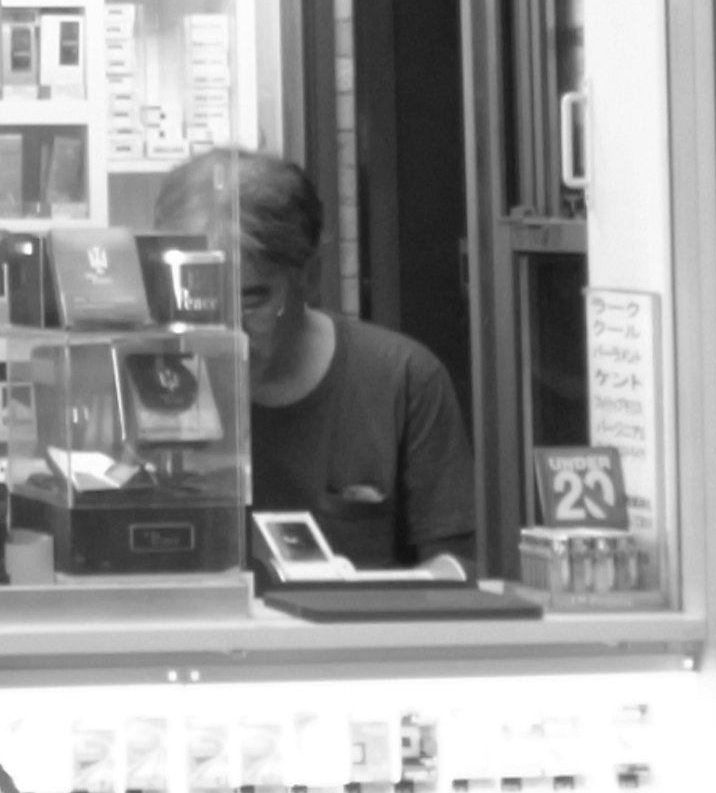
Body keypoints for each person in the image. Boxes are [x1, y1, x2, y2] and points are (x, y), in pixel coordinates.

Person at [152, 152, 478, 571]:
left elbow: (454, 568)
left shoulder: (402, 378)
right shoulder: (151, 377)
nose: (227, 330)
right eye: (201, 302)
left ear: (310, 276)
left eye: (251, 301)